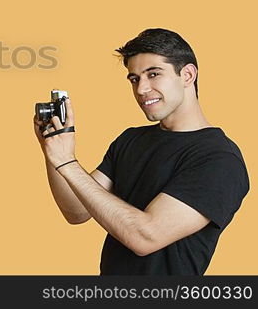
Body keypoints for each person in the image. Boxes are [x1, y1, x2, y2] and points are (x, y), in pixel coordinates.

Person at [34, 28, 249, 275]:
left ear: (187, 75)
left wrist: (68, 163)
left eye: (154, 74)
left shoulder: (219, 159)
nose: (141, 89)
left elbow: (145, 238)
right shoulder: (131, 140)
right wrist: (52, 150)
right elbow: (76, 211)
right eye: (134, 78)